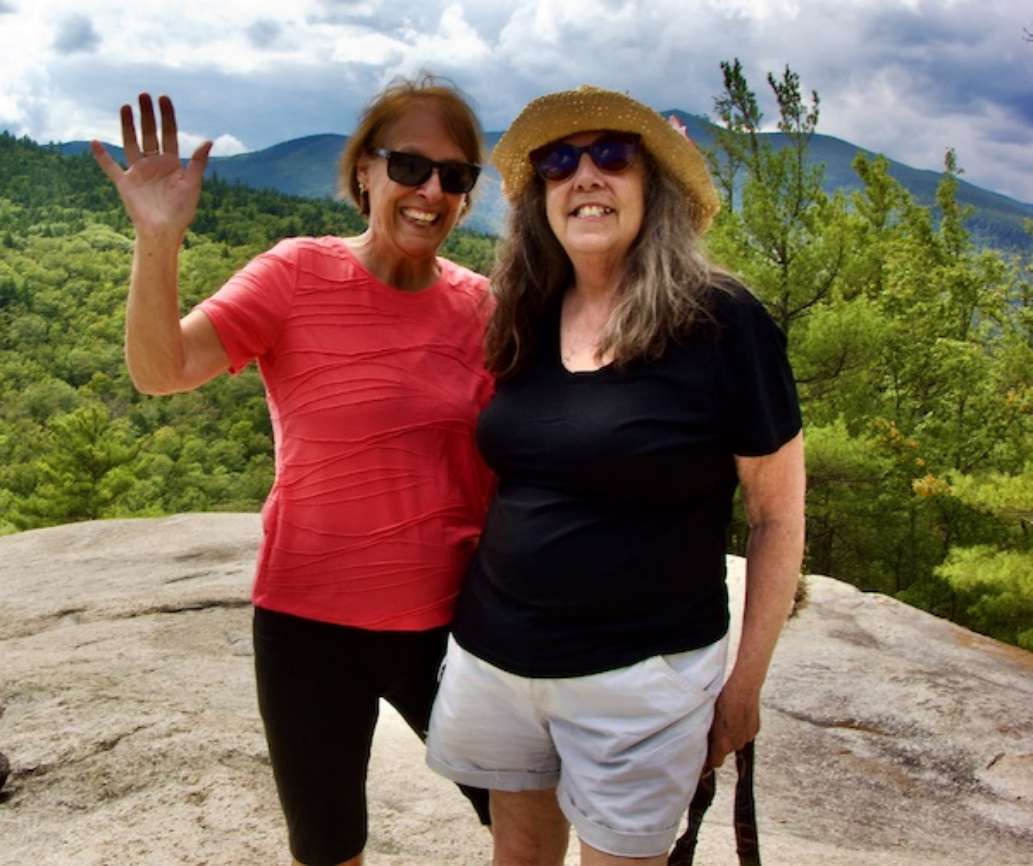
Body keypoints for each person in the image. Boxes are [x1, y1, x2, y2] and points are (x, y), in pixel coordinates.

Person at [91, 77, 493, 866]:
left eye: (455, 176)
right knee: (327, 843)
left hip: (455, 626)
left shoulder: (486, 307)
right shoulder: (294, 274)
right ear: (364, 174)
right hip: (309, 624)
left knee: (522, 814)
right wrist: (158, 239)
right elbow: (160, 370)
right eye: (409, 165)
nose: (431, 190)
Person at [426, 85, 806, 866]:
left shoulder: (720, 319)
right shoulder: (525, 312)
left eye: (612, 155)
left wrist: (744, 687)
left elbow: (775, 515)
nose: (584, 175)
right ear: (540, 199)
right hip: (497, 659)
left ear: (651, 186)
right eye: (559, 162)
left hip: (641, 680)